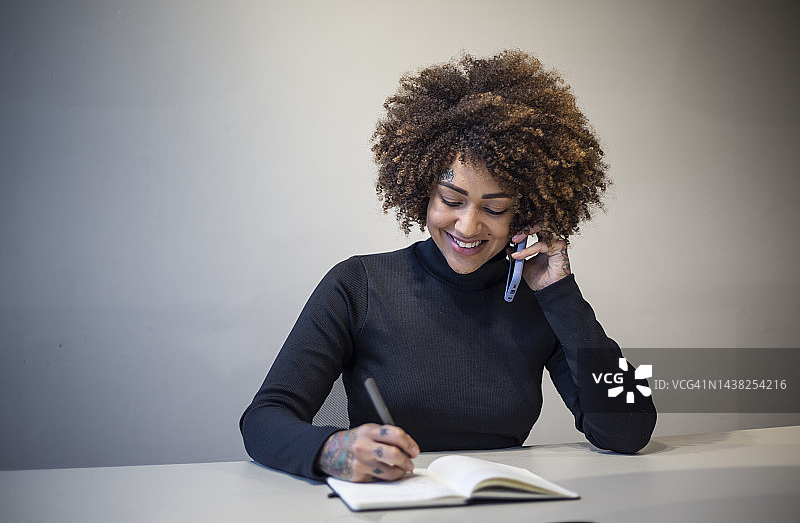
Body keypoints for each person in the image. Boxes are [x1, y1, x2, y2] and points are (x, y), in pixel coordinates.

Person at [240, 50, 657, 483]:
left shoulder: (542, 299)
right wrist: (329, 451)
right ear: (422, 192)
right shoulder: (358, 284)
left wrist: (561, 293)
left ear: (525, 213)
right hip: (390, 503)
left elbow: (629, 431)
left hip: (501, 506)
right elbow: (263, 420)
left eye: (494, 209)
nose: (468, 225)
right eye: (451, 201)